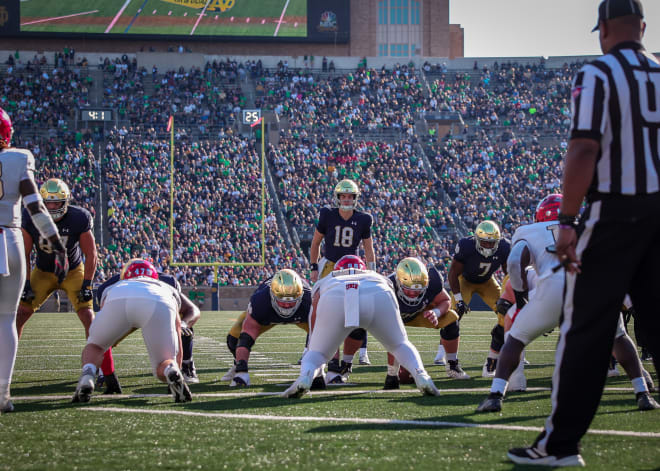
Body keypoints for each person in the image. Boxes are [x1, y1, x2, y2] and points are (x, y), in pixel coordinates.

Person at [508, 1, 660, 466]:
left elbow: (583, 148)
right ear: (644, 26)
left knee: (586, 330)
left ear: (606, 30)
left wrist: (568, 220)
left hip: (615, 213)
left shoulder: (599, 74)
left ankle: (559, 445)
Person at [476, 195, 656, 413]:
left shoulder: (528, 231)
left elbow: (514, 262)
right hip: (595, 286)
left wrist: (522, 299)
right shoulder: (589, 227)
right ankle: (642, 392)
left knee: (515, 336)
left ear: (540, 214)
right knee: (618, 337)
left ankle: (496, 394)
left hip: (555, 284)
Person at [281, 255, 440, 398]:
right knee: (399, 344)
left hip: (335, 295)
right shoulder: (377, 276)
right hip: (377, 291)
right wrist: (392, 375)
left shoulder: (327, 279)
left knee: (317, 353)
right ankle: (421, 374)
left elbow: (314, 321)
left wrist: (317, 353)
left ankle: (306, 376)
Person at [17, 178, 121, 394]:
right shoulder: (29, 216)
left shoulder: (78, 217)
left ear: (65, 201)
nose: (53, 207)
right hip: (43, 272)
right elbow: (25, 253)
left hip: (73, 271)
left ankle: (103, 371)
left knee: (89, 317)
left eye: (57, 203)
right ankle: (5, 365)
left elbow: (91, 253)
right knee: (21, 313)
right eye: (49, 203)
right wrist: (26, 282)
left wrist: (87, 283)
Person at [0, 107, 68, 413]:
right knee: (4, 319)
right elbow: (35, 205)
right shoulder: (17, 158)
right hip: (9, 238)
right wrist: (55, 242)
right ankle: (1, 394)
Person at [72, 259, 194, 403]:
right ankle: (170, 370)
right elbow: (177, 326)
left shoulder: (112, 285)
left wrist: (109, 373)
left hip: (118, 296)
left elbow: (105, 322)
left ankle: (88, 374)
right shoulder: (166, 285)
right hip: (158, 300)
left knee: (95, 346)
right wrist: (176, 364)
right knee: (164, 361)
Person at [308, 179, 376, 380]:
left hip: (352, 266)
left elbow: (368, 249)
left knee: (355, 311)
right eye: (343, 196)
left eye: (350, 196)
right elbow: (315, 243)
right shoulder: (327, 214)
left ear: (355, 198)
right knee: (318, 307)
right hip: (330, 264)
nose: (346, 200)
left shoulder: (364, 219)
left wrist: (371, 271)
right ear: (337, 197)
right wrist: (313, 266)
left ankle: (350, 358)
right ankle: (312, 350)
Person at [96, 262, 201, 385]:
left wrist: (184, 324)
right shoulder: (110, 286)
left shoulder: (167, 282)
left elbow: (192, 310)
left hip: (152, 311)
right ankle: (103, 369)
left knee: (185, 325)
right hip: (128, 314)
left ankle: (186, 365)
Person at [435, 220, 510, 379]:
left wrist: (510, 295)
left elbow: (508, 274)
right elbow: (453, 274)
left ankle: (511, 352)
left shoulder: (504, 247)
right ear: (476, 239)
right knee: (453, 317)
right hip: (465, 281)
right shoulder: (466, 246)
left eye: (492, 243)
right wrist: (459, 298)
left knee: (508, 312)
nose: (488, 247)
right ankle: (442, 353)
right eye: (484, 242)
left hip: (488, 282)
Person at [221, 269, 318, 388]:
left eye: (291, 302)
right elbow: (247, 333)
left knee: (319, 335)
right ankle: (238, 364)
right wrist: (242, 371)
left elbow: (322, 334)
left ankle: (333, 370)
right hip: (269, 315)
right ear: (272, 295)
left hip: (301, 315)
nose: (287, 306)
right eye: (282, 302)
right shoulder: (261, 300)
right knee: (234, 339)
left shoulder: (310, 300)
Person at [383, 257, 459, 389]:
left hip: (420, 313)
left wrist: (436, 312)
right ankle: (345, 365)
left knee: (451, 317)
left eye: (417, 289)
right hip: (392, 317)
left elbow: (446, 300)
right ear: (398, 282)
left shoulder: (432, 282)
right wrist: (392, 375)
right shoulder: (386, 288)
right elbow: (393, 336)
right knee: (358, 324)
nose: (412, 293)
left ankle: (452, 365)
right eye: (408, 288)